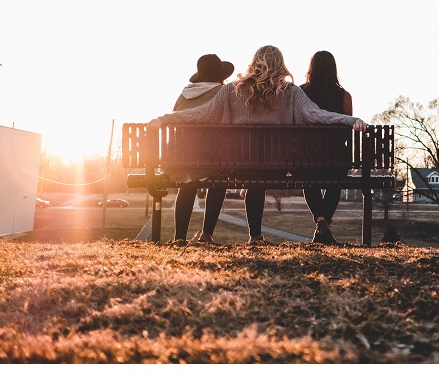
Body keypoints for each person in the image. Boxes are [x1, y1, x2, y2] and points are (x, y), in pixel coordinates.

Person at [147, 45, 366, 245]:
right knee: (262, 175)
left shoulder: (232, 90)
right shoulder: (291, 93)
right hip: (278, 168)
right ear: (281, 65)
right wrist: (350, 120)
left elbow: (200, 114)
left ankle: (255, 236)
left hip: (241, 166)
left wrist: (166, 119)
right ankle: (259, 235)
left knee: (253, 177)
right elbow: (318, 116)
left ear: (254, 63)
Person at [169, 53, 235, 246]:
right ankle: (206, 234)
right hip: (212, 159)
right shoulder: (223, 92)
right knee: (220, 180)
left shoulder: (183, 95)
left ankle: (179, 237)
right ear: (220, 75)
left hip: (182, 158)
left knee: (188, 183)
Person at [299, 50, 353, 245]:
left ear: (311, 68)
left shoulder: (301, 92)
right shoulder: (344, 95)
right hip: (336, 158)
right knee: (334, 183)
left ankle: (321, 221)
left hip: (307, 158)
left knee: (308, 180)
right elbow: (348, 129)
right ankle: (324, 224)